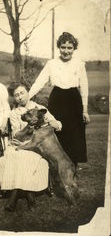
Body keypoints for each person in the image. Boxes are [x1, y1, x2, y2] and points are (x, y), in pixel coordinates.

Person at [0, 82, 62, 211]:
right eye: (16, 95)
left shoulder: (39, 108)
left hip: (37, 144)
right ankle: (29, 195)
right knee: (16, 154)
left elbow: (58, 124)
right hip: (21, 142)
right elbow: (17, 135)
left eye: (22, 93)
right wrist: (28, 127)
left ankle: (14, 196)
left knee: (25, 155)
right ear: (14, 98)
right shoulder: (14, 113)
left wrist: (51, 122)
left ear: (28, 92)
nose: (20, 97)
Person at [29, 32, 90, 168]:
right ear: (59, 47)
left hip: (74, 100)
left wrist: (85, 110)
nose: (66, 51)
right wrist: (27, 98)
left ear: (74, 48)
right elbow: (39, 83)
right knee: (57, 133)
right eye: (63, 47)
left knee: (74, 136)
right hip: (57, 100)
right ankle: (55, 169)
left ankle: (72, 170)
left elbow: (84, 87)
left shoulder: (79, 64)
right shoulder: (51, 64)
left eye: (69, 48)